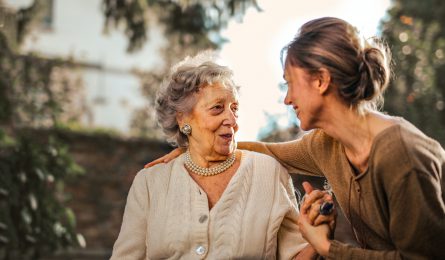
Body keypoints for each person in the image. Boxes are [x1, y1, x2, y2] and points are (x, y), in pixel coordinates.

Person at [146, 17, 445, 259]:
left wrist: (327, 247)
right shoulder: (326, 144)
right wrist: (196, 148)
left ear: (321, 80)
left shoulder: (402, 155)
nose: (287, 99)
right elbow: (268, 151)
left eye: (290, 84)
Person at [111, 52, 334, 259]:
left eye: (234, 108)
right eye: (218, 108)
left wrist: (317, 241)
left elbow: (293, 255)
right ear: (183, 119)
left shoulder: (269, 172)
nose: (232, 120)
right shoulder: (150, 183)